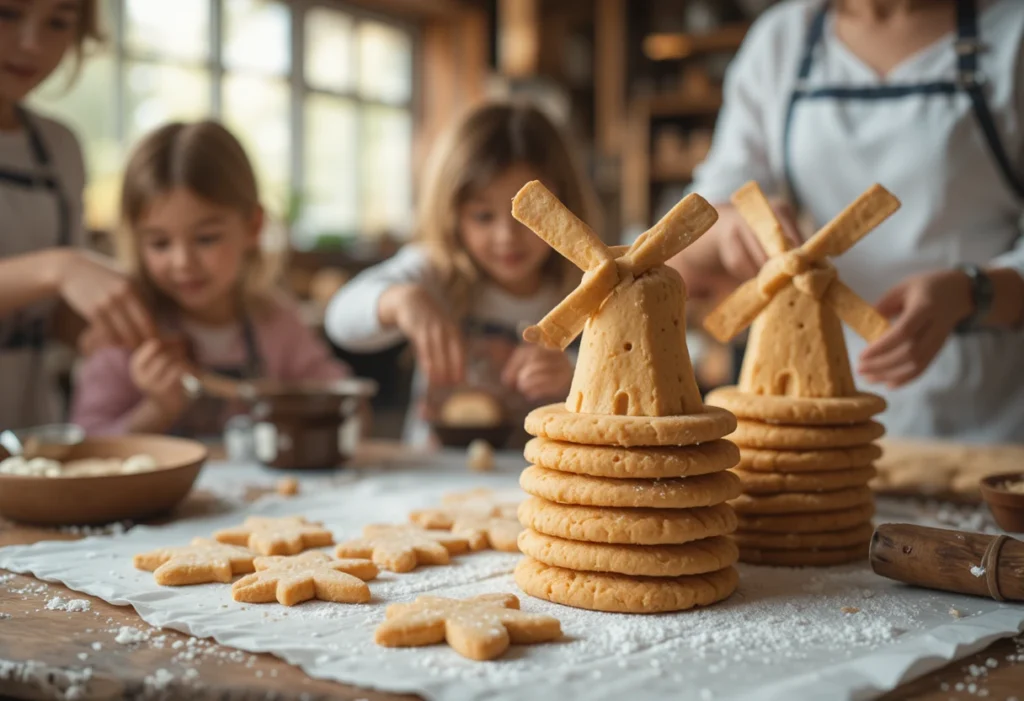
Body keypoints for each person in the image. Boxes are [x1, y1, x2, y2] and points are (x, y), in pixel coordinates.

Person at [674, 0, 1024, 443]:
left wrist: (973, 291)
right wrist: (730, 229)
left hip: (990, 419)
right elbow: (696, 226)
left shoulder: (1012, 34)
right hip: (811, 410)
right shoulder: (783, 39)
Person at [325, 103, 598, 446]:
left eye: (531, 217)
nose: (506, 237)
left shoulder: (589, 289)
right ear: (452, 213)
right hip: (437, 474)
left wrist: (576, 377)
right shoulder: (434, 270)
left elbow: (625, 390)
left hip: (542, 479)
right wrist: (401, 301)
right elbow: (340, 321)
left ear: (567, 209)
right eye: (483, 216)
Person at [71, 121, 349, 436]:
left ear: (253, 227)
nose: (183, 263)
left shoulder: (277, 323)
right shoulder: (124, 334)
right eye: (159, 243)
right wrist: (157, 409)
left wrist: (306, 408)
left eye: (206, 238)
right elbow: (87, 444)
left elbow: (347, 407)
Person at [0, 0, 155, 429]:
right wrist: (58, 268)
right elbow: (56, 273)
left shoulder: (59, 148)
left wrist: (106, 331)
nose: (32, 44)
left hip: (29, 433)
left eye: (58, 23)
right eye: (7, 14)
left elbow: (52, 318)